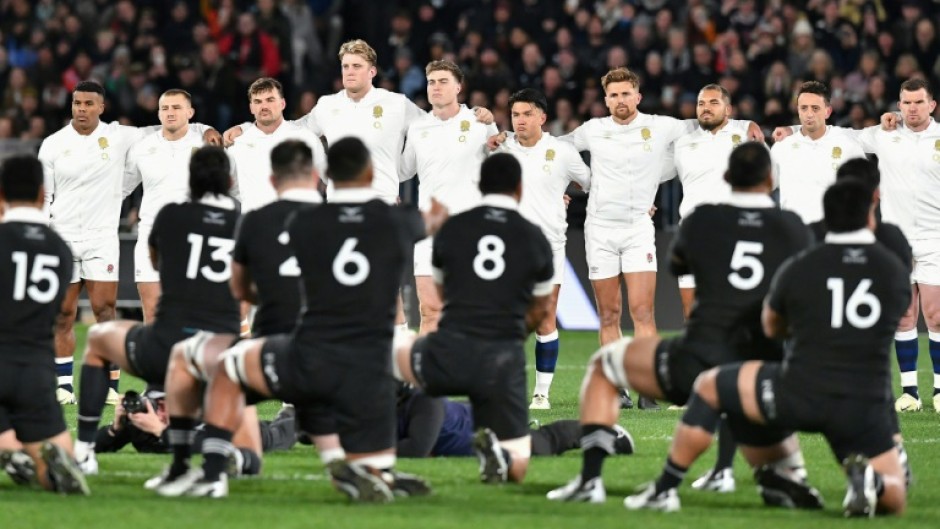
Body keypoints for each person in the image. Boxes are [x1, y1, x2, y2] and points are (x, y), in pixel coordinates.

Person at [168, 137, 439, 502]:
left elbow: (250, 285)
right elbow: (436, 219)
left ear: (325, 175)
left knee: (229, 367)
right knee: (364, 433)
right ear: (371, 173)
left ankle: (214, 472)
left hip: (308, 352)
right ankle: (368, 470)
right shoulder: (397, 219)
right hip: (374, 367)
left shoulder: (302, 222)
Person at [547, 143, 814, 505]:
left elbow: (681, 266)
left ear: (726, 178)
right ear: (770, 179)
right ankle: (754, 473)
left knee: (604, 365)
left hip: (698, 357)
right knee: (741, 394)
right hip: (763, 376)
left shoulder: (703, 219)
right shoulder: (794, 229)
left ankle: (591, 481)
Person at [636, 179, 909, 517]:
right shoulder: (893, 271)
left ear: (826, 217)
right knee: (895, 500)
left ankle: (667, 487)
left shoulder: (801, 265)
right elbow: (903, 317)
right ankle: (874, 483)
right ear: (871, 214)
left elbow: (771, 326)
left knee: (712, 385)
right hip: (862, 402)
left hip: (800, 390)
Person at [151, 140, 345, 495]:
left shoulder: (256, 220)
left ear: (272, 181)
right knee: (314, 398)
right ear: (317, 177)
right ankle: (341, 463)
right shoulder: (343, 222)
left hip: (276, 351)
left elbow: (239, 288)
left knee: (220, 369)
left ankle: (207, 474)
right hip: (340, 353)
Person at [561, 68, 761, 410]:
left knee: (643, 312)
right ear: (605, 99)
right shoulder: (593, 130)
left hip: (639, 228)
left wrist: (747, 125)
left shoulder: (663, 125)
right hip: (599, 229)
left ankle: (648, 387)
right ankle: (618, 387)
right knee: (609, 314)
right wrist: (563, 184)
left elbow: (709, 120)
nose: (620, 100)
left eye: (626, 94)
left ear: (637, 96)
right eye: (613, 95)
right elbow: (555, 147)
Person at [39, 81, 221, 405]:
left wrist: (207, 129)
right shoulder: (53, 144)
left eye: (88, 103)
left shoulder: (124, 136)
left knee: (105, 309)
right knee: (63, 313)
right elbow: (47, 196)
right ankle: (63, 385)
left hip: (104, 237)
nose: (81, 109)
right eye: (76, 103)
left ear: (101, 107)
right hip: (63, 235)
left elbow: (169, 124)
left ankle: (112, 386)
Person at [73, 146, 241, 476]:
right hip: (221, 354)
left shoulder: (171, 215)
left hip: (167, 345)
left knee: (98, 339)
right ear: (230, 180)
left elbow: (154, 260)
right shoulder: (243, 223)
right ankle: (221, 461)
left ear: (190, 179)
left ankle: (83, 450)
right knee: (238, 409)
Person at [393, 153, 557, 485]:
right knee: (519, 467)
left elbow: (441, 292)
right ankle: (503, 456)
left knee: (387, 355)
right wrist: (512, 335)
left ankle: (352, 434)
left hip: (449, 351)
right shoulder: (534, 237)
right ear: (520, 188)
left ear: (480, 186)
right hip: (502, 357)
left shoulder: (454, 228)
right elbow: (542, 308)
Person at [664, 83, 759, 493]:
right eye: (700, 102)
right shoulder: (682, 140)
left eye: (713, 102)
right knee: (694, 315)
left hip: (732, 240)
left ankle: (731, 387)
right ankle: (699, 387)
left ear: (729, 107)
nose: (705, 108)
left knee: (733, 320)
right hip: (692, 237)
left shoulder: (745, 133)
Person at [490, 88, 591, 410]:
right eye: (516, 114)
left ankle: (541, 394)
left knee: (545, 317)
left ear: (542, 118)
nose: (520, 120)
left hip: (548, 246)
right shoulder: (499, 148)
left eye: (527, 114)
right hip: (506, 246)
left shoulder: (561, 151)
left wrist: (564, 196)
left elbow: (589, 183)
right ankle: (503, 387)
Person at [0, 154, 88, 495]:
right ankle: (49, 463)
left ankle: (8, 449)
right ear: (42, 194)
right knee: (51, 454)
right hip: (37, 371)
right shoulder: (60, 250)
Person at [398, 59, 498, 336]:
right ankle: (426, 377)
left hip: (469, 229)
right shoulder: (418, 127)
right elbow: (403, 170)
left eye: (443, 81)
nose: (436, 87)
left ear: (458, 87)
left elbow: (503, 166)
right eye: (431, 82)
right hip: (429, 230)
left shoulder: (479, 122)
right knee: (429, 310)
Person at [123, 89, 207, 323]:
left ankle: (189, 360)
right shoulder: (143, 147)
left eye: (177, 108)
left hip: (195, 237)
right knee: (152, 313)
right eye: (165, 108)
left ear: (190, 112)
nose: (170, 113)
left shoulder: (206, 143)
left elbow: (231, 186)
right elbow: (120, 187)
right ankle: (156, 360)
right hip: (151, 237)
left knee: (194, 313)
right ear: (158, 113)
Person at [94, 387, 296, 476]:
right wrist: (115, 428)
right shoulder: (140, 423)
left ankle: (299, 415)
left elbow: (208, 444)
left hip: (226, 421)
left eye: (166, 404)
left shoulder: (193, 402)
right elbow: (95, 445)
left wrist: (161, 431)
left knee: (273, 436)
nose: (162, 411)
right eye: (157, 405)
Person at [396, 385, 633, 459]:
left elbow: (418, 448)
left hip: (492, 424)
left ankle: (605, 433)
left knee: (537, 445)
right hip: (472, 420)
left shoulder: (424, 400)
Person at [770, 81, 865, 224]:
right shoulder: (781, 147)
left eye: (815, 108)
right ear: (798, 110)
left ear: (828, 111)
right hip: (794, 232)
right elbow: (765, 186)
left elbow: (863, 188)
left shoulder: (847, 144)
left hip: (834, 230)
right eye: (804, 108)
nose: (809, 114)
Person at [227, 77, 327, 214]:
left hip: (299, 224)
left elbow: (330, 178)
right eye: (258, 102)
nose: (264, 107)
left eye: (270, 100)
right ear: (251, 108)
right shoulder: (238, 144)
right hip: (256, 225)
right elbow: (231, 187)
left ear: (282, 103)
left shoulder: (305, 137)